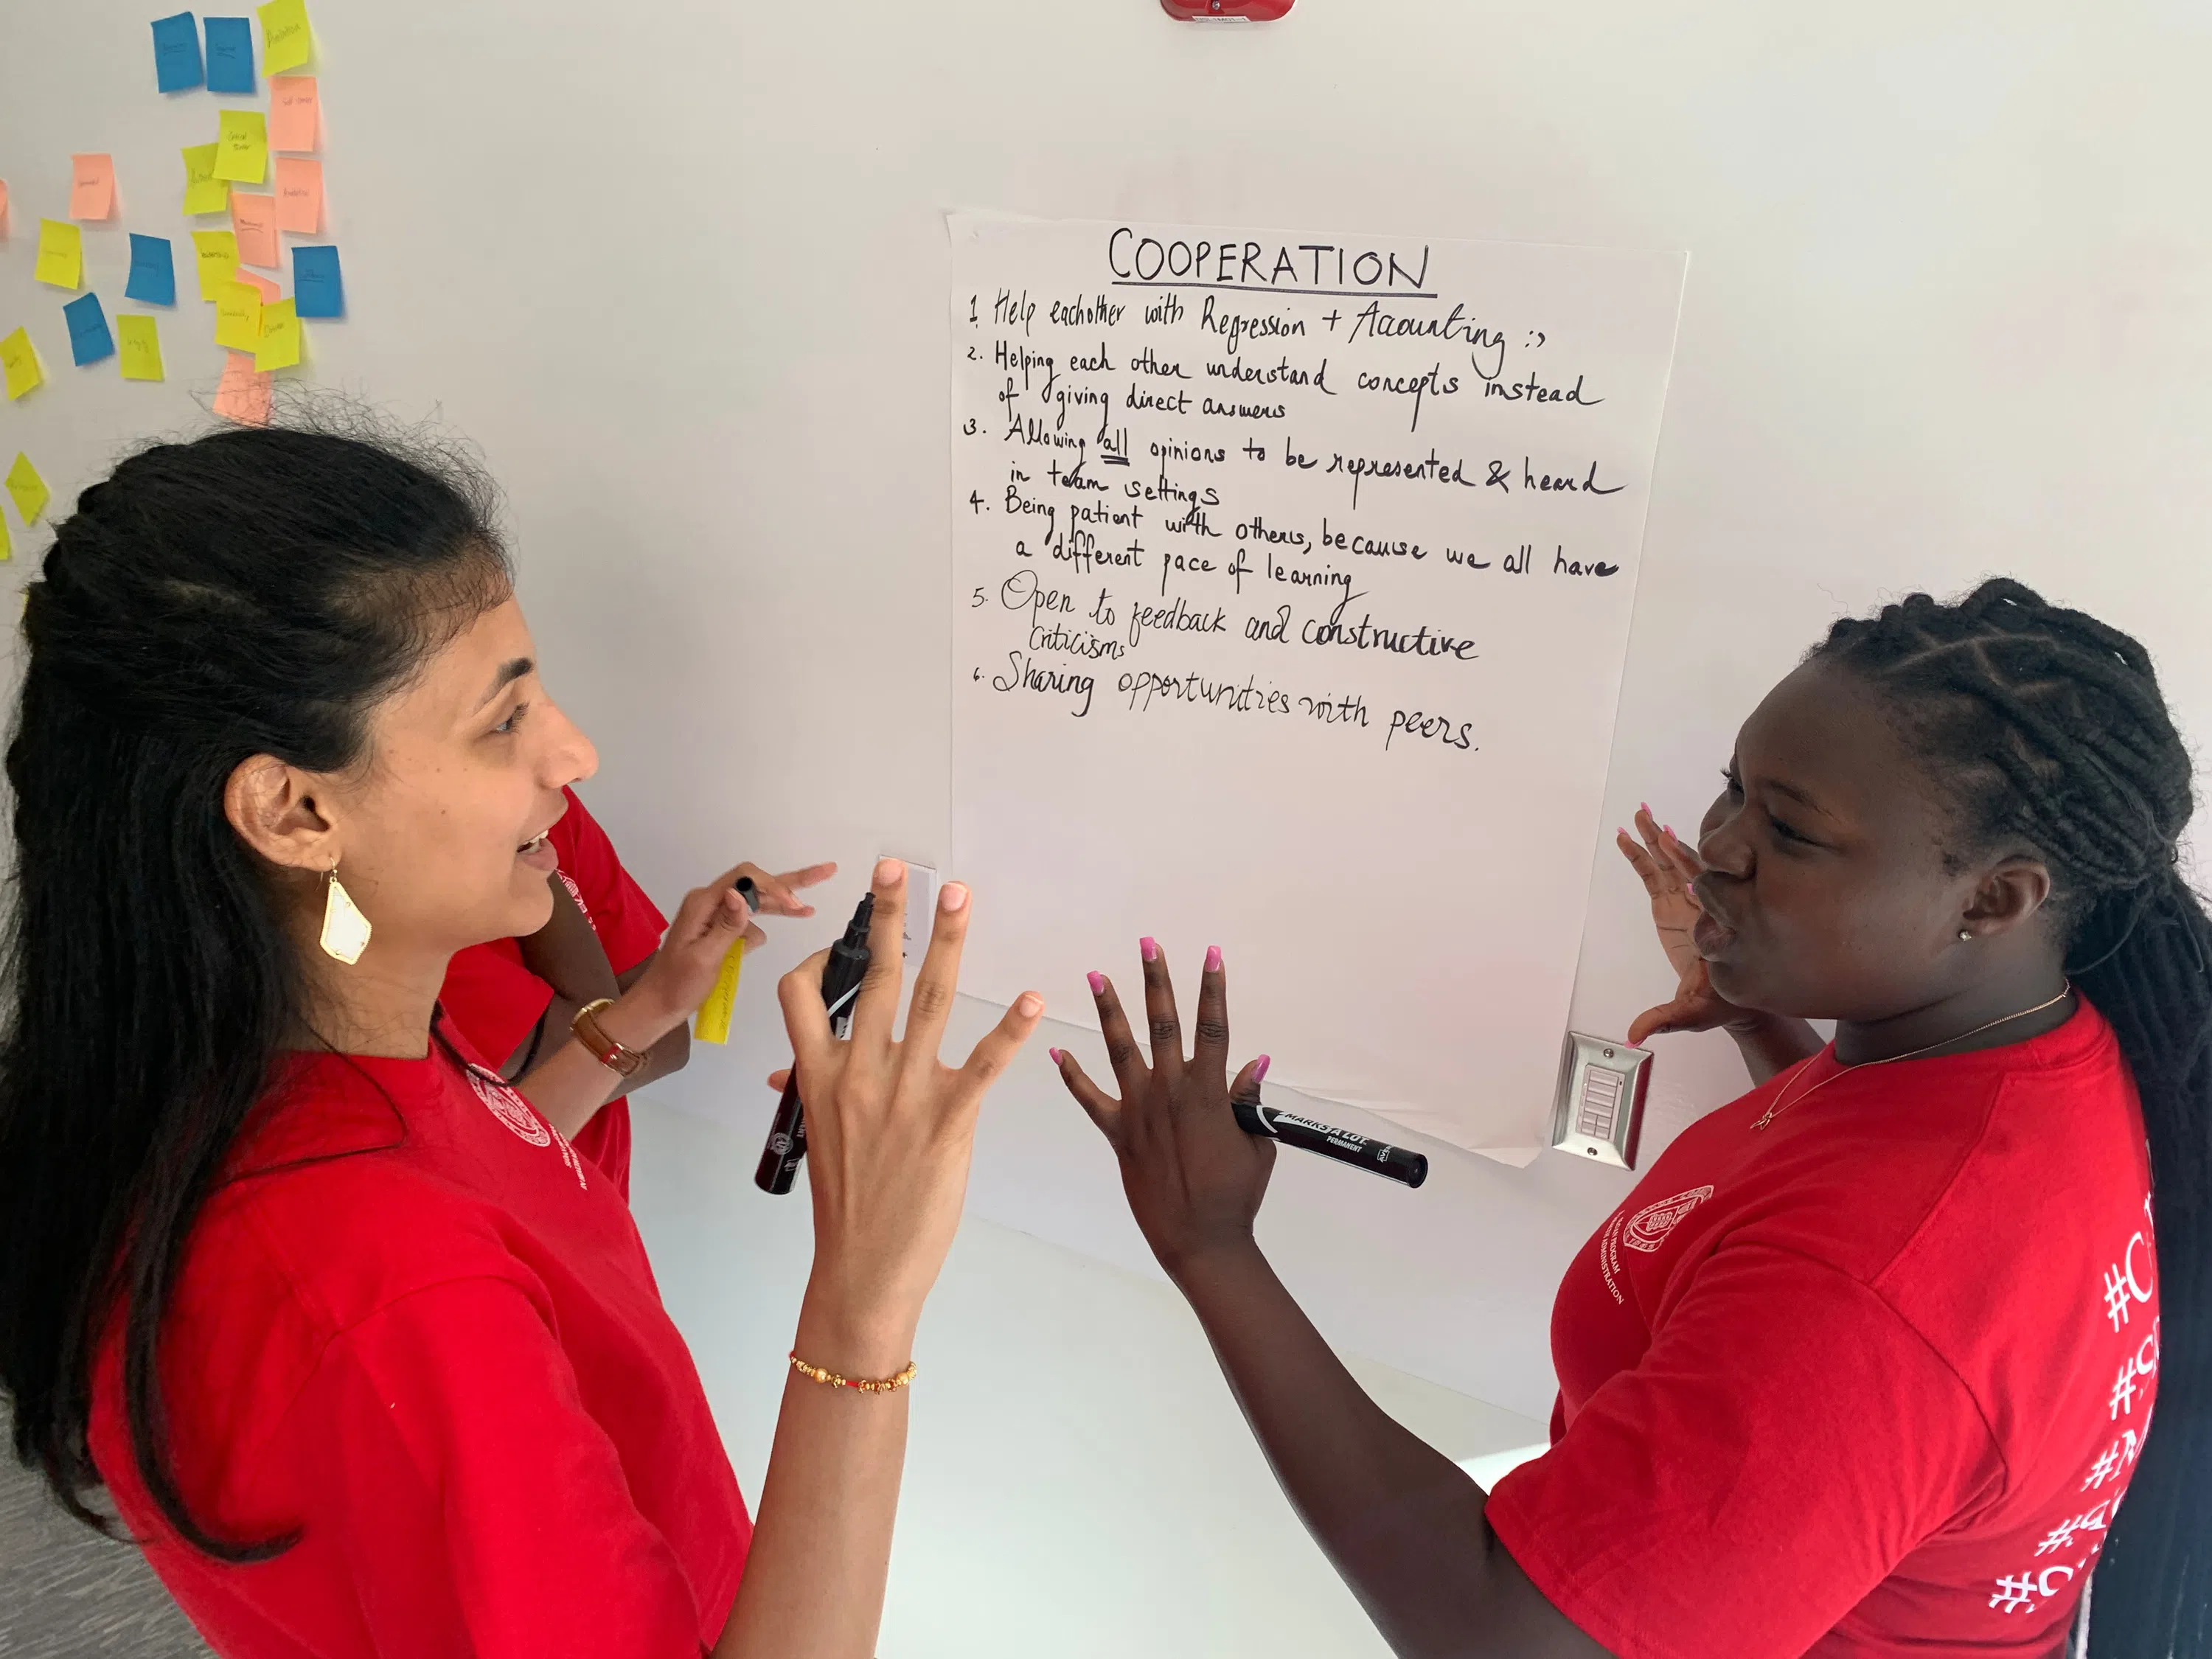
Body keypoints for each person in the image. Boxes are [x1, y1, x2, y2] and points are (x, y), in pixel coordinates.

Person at [0, 425, 1043, 1659]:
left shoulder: (341, 1039)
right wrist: (863, 1308)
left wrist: (641, 1017)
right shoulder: (386, 1300)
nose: (574, 755)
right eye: (504, 722)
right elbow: (420, 1261)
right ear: (296, 810)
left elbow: (470, 1167)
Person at [1054, 580, 2205, 1657]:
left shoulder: (1876, 1305)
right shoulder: (2033, 1051)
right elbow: (1876, 1177)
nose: (1720, 846)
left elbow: (1500, 1630)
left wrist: (1210, 1247)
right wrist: (1761, 1026)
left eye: (1792, 832)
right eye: (1735, 785)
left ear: (1994, 898)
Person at [438, 785, 835, 1199]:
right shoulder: (403, 903)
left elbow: (667, 1044)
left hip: (601, 1205)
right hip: (500, 1223)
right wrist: (532, 855)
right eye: (502, 724)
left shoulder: (551, 806)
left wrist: (659, 1001)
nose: (577, 755)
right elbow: (553, 1082)